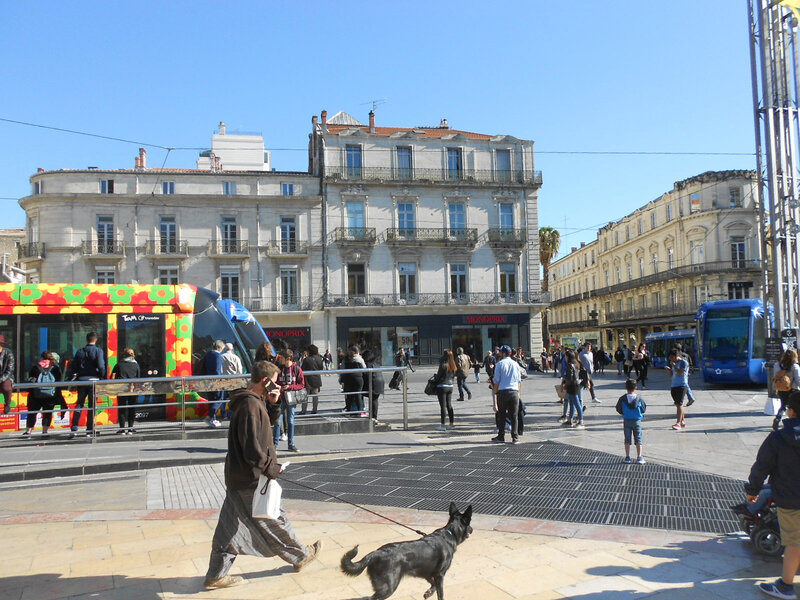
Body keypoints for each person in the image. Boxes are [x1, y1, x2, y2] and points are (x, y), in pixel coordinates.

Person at [204, 360, 322, 589]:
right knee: (275, 516)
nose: (277, 386)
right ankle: (300, 556)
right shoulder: (249, 405)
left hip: (240, 476)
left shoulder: (254, 402)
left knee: (228, 528)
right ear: (265, 381)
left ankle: (216, 574)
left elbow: (264, 427)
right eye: (274, 382)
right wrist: (271, 468)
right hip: (251, 477)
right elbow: (251, 447)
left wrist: (274, 404)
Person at [745, 392, 800, 599]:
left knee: (794, 542)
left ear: (791, 410)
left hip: (790, 499)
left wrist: (752, 491)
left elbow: (762, 467)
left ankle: (786, 586)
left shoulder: (778, 438)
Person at [67, 332, 105, 438]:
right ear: (96, 340)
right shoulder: (98, 351)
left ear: (86, 339)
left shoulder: (80, 351)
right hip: (94, 381)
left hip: (82, 381)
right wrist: (101, 376)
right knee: (92, 406)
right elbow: (101, 366)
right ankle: (90, 430)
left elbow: (74, 367)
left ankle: (74, 428)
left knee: (79, 404)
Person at [23, 350, 66, 438]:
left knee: (32, 412)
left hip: (35, 395)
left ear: (42, 358)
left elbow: (30, 380)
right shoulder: (55, 368)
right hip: (50, 395)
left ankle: (28, 432)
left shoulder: (35, 367)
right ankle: (45, 432)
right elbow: (59, 381)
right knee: (47, 413)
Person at [273, 349, 304, 452]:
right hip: (281, 399)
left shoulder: (297, 369)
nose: (280, 359)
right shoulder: (279, 369)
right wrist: (279, 387)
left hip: (291, 399)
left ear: (288, 358)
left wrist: (290, 387)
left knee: (290, 421)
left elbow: (302, 385)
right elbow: (275, 381)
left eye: (281, 358)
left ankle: (291, 444)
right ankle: (274, 444)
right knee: (278, 422)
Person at [491, 345, 522, 443]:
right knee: (514, 415)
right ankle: (515, 437)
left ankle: (501, 436)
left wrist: (495, 393)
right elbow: (519, 380)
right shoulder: (516, 364)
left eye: (500, 352)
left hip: (503, 391)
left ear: (503, 353)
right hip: (514, 391)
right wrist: (518, 393)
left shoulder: (499, 364)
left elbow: (496, 381)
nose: (499, 353)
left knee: (502, 415)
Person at [615, 379, 647, 464]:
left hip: (627, 420)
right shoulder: (639, 398)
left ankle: (627, 457)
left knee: (627, 439)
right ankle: (639, 457)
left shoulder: (622, 398)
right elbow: (643, 408)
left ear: (626, 387)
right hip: (637, 420)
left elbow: (618, 408)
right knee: (638, 438)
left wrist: (623, 413)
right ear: (636, 387)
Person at [111, 347, 141, 435]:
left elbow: (113, 376)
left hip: (121, 389)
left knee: (122, 409)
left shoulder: (119, 364)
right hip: (132, 389)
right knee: (132, 408)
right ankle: (131, 428)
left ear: (123, 355)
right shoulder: (136, 365)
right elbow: (139, 378)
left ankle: (122, 429)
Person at [202, 340, 225, 428]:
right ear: (220, 348)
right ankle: (210, 417)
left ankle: (213, 420)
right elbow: (217, 370)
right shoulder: (217, 356)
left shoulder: (208, 354)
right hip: (216, 381)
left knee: (211, 400)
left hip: (207, 380)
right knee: (220, 399)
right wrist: (220, 380)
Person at [775, 349, 800, 430]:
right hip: (793, 390)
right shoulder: (794, 366)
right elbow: (798, 379)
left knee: (783, 406)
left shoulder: (779, 365)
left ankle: (777, 418)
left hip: (782, 390)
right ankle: (793, 423)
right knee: (794, 407)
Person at [434, 350, 457, 431]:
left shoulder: (443, 365)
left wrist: (435, 376)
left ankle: (442, 425)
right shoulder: (453, 365)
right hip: (450, 386)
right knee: (449, 405)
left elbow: (438, 376)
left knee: (443, 406)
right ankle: (451, 423)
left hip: (442, 386)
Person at [561, 349, 584, 429]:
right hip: (576, 385)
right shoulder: (576, 363)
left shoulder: (570, 365)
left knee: (576, 404)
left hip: (572, 386)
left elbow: (570, 377)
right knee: (572, 404)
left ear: (568, 357)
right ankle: (570, 420)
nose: (565, 358)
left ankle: (581, 421)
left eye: (565, 356)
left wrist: (564, 383)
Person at [666, 349, 689, 430]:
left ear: (677, 356)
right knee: (678, 404)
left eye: (672, 357)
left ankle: (678, 423)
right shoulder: (674, 364)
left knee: (679, 404)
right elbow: (672, 375)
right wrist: (669, 370)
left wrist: (674, 366)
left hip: (681, 385)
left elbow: (680, 373)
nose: (671, 359)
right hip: (674, 385)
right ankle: (682, 421)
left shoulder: (683, 363)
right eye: (670, 358)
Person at [361, 349, 384, 423]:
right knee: (374, 400)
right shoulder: (376, 364)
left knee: (359, 394)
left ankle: (371, 416)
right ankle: (374, 417)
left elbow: (365, 375)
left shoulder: (367, 364)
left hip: (373, 384)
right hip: (379, 384)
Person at [341, 345, 366, 413]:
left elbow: (342, 369)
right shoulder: (359, 359)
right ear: (357, 352)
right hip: (358, 379)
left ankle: (349, 411)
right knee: (358, 395)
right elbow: (364, 368)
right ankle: (360, 411)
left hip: (348, 379)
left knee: (349, 395)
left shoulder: (345, 358)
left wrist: (342, 381)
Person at [300, 345, 323, 415]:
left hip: (307, 380)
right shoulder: (319, 358)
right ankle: (314, 410)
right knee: (315, 396)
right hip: (316, 380)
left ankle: (303, 410)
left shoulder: (307, 359)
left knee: (305, 396)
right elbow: (321, 368)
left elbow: (302, 369)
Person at [0, 334, 14, 414]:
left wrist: (1, 379)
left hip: (6, 377)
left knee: (6, 386)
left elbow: (9, 370)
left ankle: (7, 404)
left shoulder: (8, 353)